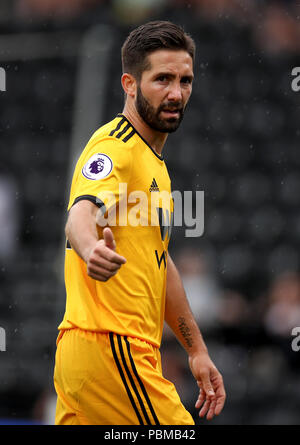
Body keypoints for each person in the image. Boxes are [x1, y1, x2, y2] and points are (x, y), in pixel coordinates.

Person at [53, 20, 226, 425]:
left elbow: (159, 265)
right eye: (162, 79)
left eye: (185, 81)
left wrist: (196, 350)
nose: (176, 93)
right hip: (113, 348)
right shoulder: (116, 146)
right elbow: (81, 212)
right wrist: (89, 247)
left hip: (89, 357)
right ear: (129, 83)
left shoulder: (155, 165)